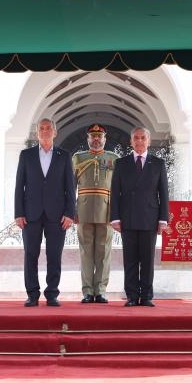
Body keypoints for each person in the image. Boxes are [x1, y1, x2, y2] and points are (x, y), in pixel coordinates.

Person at [14, 118, 76, 307]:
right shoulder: (26, 155)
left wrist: (70, 213)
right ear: (37, 133)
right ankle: (32, 294)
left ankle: (52, 294)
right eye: (41, 128)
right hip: (30, 214)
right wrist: (18, 213)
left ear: (55, 132)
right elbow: (19, 186)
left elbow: (70, 187)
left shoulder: (64, 156)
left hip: (57, 215)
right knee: (30, 254)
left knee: (54, 255)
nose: (45, 131)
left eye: (49, 128)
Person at [110, 127, 169, 307]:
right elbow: (115, 192)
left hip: (149, 218)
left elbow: (163, 193)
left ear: (148, 141)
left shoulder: (158, 163)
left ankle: (147, 296)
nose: (139, 141)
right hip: (127, 218)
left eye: (143, 138)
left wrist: (163, 219)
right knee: (130, 260)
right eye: (136, 138)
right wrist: (115, 218)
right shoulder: (121, 163)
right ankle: (132, 296)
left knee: (147, 260)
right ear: (131, 141)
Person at [72, 124, 119, 304]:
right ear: (88, 139)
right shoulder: (78, 158)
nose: (96, 139)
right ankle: (87, 291)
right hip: (83, 209)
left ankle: (100, 291)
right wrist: (71, 210)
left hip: (106, 209)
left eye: (100, 136)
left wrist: (117, 213)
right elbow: (71, 186)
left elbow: (118, 188)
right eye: (93, 136)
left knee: (104, 252)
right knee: (86, 252)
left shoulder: (113, 158)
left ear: (105, 139)